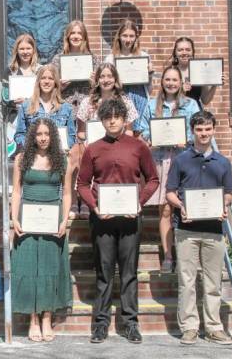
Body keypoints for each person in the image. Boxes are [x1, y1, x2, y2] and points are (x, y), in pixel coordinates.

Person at [77, 98, 159, 344]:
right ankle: (100, 324)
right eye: (107, 116)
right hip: (102, 218)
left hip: (130, 218)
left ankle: (130, 323)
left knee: (128, 273)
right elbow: (82, 184)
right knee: (103, 273)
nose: (112, 120)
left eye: (117, 116)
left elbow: (153, 179)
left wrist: (139, 202)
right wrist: (94, 206)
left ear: (124, 119)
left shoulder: (138, 147)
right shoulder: (93, 148)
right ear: (101, 120)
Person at [165, 110, 232, 346]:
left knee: (213, 281)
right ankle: (190, 327)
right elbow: (170, 193)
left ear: (213, 130)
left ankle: (214, 327)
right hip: (186, 229)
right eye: (199, 129)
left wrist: (224, 205)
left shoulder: (223, 162)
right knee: (187, 281)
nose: (204, 133)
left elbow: (228, 194)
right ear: (192, 131)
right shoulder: (181, 160)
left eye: (207, 129)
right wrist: (182, 206)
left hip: (214, 230)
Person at [11, 119, 73, 342]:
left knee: (49, 267)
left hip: (52, 219)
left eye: (47, 133)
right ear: (32, 136)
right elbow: (16, 191)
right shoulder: (21, 159)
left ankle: (47, 317)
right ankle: (33, 320)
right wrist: (14, 219)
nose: (43, 138)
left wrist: (64, 220)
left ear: (53, 135)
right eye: (39, 134)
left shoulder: (62, 159)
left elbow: (66, 193)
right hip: (27, 218)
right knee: (29, 267)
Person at [140, 66, 200, 272]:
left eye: (175, 80)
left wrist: (187, 140)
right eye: (168, 79)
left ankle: (188, 257)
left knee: (187, 208)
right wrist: (152, 140)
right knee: (165, 209)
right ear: (162, 81)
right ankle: (167, 256)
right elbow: (144, 133)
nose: (171, 83)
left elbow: (198, 131)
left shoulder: (191, 105)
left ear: (181, 82)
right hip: (161, 161)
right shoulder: (151, 105)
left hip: (185, 160)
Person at [104, 19, 153, 135]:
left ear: (136, 37)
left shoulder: (144, 57)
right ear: (119, 37)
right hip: (119, 98)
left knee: (140, 135)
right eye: (125, 36)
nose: (128, 40)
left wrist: (149, 76)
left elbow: (149, 90)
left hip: (140, 98)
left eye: (131, 36)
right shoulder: (110, 59)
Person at [13, 64, 76, 150]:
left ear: (56, 82)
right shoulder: (26, 106)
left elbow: (71, 136)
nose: (46, 81)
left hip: (57, 157)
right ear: (38, 81)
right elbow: (19, 135)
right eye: (43, 78)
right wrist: (31, 147)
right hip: (34, 157)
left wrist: (63, 147)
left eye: (50, 78)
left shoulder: (66, 108)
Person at [76, 62, 139, 142]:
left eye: (110, 76)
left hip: (119, 147)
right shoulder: (87, 102)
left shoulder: (126, 102)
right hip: (95, 148)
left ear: (115, 79)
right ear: (97, 80)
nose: (106, 80)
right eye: (102, 77)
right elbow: (80, 133)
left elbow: (129, 131)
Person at [49, 20, 96, 113]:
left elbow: (102, 88)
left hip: (87, 109)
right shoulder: (57, 60)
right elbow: (48, 88)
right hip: (64, 109)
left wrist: (95, 83)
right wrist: (60, 87)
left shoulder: (93, 59)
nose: (76, 36)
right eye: (72, 33)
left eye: (79, 33)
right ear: (67, 36)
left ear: (84, 37)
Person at [166, 37, 217, 108]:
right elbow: (166, 98)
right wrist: (181, 91)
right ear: (175, 52)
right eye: (180, 50)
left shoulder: (199, 70)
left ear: (193, 52)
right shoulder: (170, 72)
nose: (184, 53)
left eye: (188, 50)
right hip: (176, 113)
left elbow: (205, 100)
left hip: (195, 114)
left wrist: (215, 84)